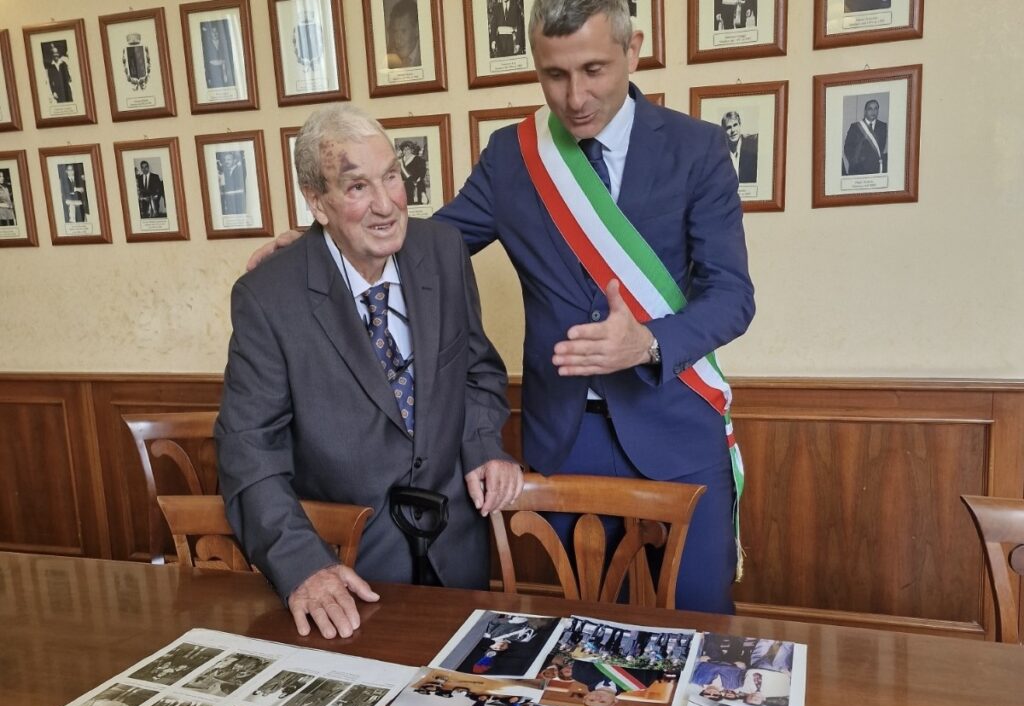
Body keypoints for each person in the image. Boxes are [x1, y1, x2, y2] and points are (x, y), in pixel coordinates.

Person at [248, 0, 754, 615]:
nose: (574, 97)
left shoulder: (696, 149)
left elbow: (732, 296)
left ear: (633, 49)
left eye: (593, 70)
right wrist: (324, 238)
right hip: (565, 435)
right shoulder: (515, 155)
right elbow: (426, 241)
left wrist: (647, 343)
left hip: (675, 418)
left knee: (700, 623)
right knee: (582, 634)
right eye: (554, 75)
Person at [216, 104, 522, 639]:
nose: (386, 205)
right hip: (349, 576)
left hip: (459, 555)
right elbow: (249, 452)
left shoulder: (444, 250)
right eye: (356, 187)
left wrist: (483, 445)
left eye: (392, 176)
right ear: (317, 202)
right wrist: (303, 566)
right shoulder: (268, 297)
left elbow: (476, 370)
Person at [842, 99, 888, 176]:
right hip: (858, 169)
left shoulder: (883, 126)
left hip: (875, 168)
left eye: (875, 108)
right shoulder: (855, 127)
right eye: (870, 109)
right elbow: (847, 147)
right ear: (865, 111)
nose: (873, 112)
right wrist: (855, 162)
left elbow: (880, 147)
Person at [721, 110, 758, 184]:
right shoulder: (720, 151)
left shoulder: (753, 143)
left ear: (740, 125)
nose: (733, 130)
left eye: (735, 125)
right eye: (728, 127)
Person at [386, 0, 421, 68]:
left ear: (416, 30)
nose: (397, 40)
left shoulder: (428, 56)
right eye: (395, 31)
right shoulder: (389, 59)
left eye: (403, 31)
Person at [202, 21, 233, 88]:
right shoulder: (207, 45)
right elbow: (207, 63)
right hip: (213, 72)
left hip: (224, 71)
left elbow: (226, 59)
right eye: (213, 32)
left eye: (216, 32)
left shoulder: (223, 43)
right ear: (210, 34)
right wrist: (208, 77)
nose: (215, 34)